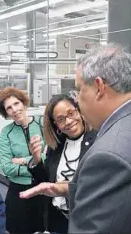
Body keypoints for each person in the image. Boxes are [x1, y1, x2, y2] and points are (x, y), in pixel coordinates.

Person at [20, 44, 131, 233]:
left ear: (99, 87)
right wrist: (67, 189)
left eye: (79, 90)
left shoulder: (110, 154)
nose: (77, 100)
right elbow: (129, 196)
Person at [27, 94, 97, 233]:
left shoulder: (98, 141)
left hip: (87, 219)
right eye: (61, 119)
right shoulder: (56, 147)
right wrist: (36, 159)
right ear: (56, 125)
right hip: (57, 218)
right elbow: (46, 183)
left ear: (79, 111)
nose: (69, 121)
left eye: (71, 113)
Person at [0, 87, 45, 233]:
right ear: (6, 113)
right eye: (9, 108)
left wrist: (24, 160)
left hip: (42, 190)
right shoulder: (6, 132)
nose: (14, 110)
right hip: (18, 192)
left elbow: (50, 157)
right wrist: (37, 166)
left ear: (23, 103)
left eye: (16, 104)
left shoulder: (42, 124)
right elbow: (6, 166)